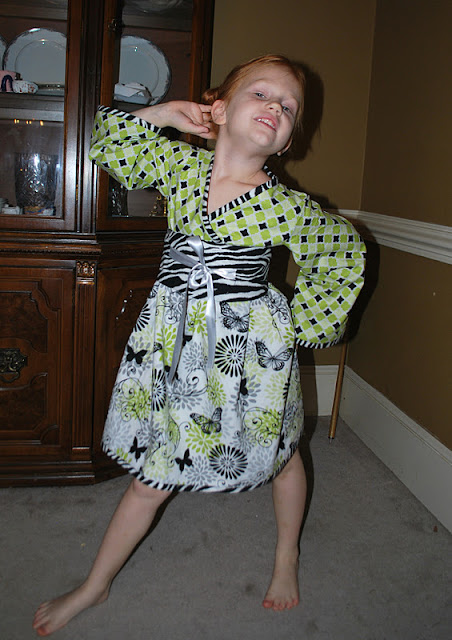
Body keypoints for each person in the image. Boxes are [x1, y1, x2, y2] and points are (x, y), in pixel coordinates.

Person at [33, 54, 366, 636]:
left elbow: (341, 255)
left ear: (288, 140)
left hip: (249, 354)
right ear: (221, 109)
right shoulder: (181, 166)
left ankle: (286, 553)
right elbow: (110, 145)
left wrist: (297, 325)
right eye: (261, 94)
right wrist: (164, 113)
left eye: (288, 107)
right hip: (174, 345)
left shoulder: (287, 206)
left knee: (282, 453)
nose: (275, 107)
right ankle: (95, 583)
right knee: (152, 474)